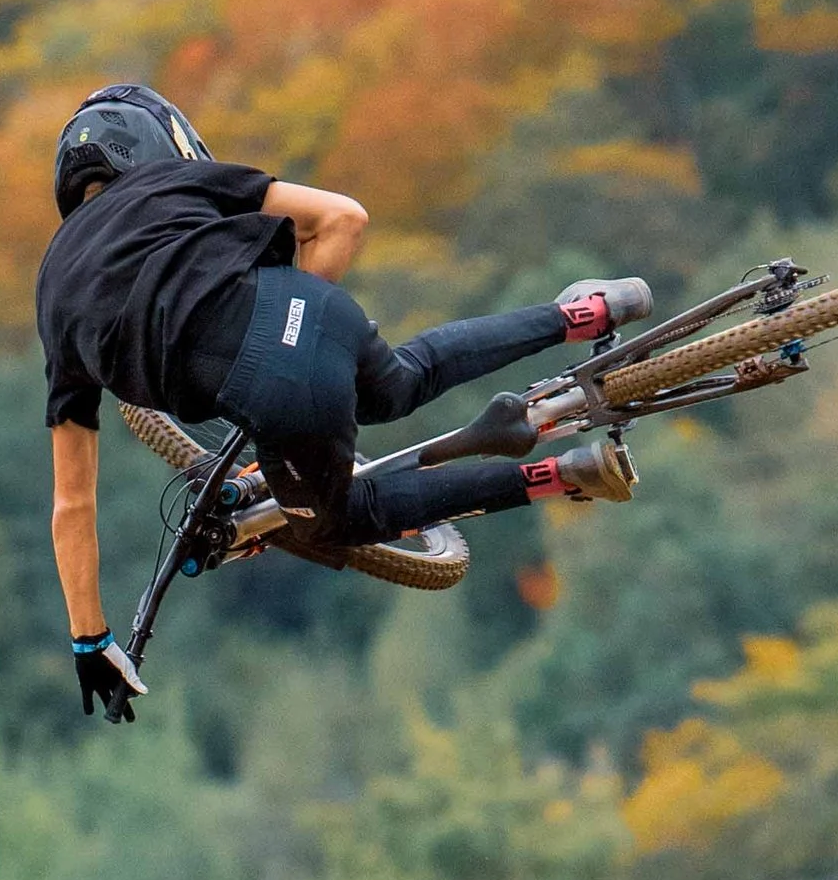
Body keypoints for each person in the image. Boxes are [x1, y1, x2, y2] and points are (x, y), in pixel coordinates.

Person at [37, 80, 652, 719]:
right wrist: (291, 330)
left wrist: (90, 638)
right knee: (404, 380)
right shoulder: (182, 187)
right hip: (312, 310)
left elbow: (72, 504)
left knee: (340, 520)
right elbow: (343, 219)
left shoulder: (54, 294)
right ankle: (584, 311)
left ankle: (562, 475)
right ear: (160, 143)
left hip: (274, 390)